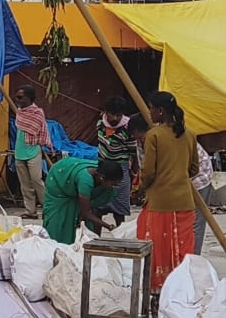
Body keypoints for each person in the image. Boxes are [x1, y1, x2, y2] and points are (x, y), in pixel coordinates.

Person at [134, 91, 199, 298]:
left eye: (151, 108)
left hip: (160, 202)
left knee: (157, 250)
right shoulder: (189, 134)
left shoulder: (153, 135)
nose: (149, 112)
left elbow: (149, 172)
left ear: (160, 111)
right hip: (184, 201)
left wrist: (139, 188)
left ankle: (157, 292)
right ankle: (181, 291)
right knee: (182, 249)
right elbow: (194, 169)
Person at [43, 157, 123, 244]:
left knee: (80, 220)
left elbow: (87, 210)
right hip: (59, 182)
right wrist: (109, 227)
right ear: (102, 178)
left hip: (76, 184)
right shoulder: (85, 180)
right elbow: (86, 213)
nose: (114, 187)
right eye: (113, 184)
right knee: (59, 222)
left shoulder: (101, 172)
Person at [12, 84, 55, 219]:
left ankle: (48, 208)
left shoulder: (37, 113)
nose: (17, 100)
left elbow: (38, 129)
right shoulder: (19, 112)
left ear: (29, 98)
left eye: (20, 97)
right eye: (17, 97)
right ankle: (30, 211)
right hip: (19, 151)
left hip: (33, 150)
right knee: (25, 185)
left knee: (37, 181)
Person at [97, 96, 135, 226]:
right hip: (102, 167)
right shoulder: (100, 123)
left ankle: (120, 236)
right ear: (105, 112)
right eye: (111, 114)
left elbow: (133, 151)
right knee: (98, 206)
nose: (114, 118)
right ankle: (96, 239)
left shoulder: (128, 128)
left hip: (121, 170)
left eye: (118, 115)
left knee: (119, 209)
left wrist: (134, 171)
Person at [191, 144, 214, 255]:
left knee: (196, 223)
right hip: (180, 181)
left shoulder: (183, 136)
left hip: (200, 178)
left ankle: (192, 259)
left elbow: (194, 168)